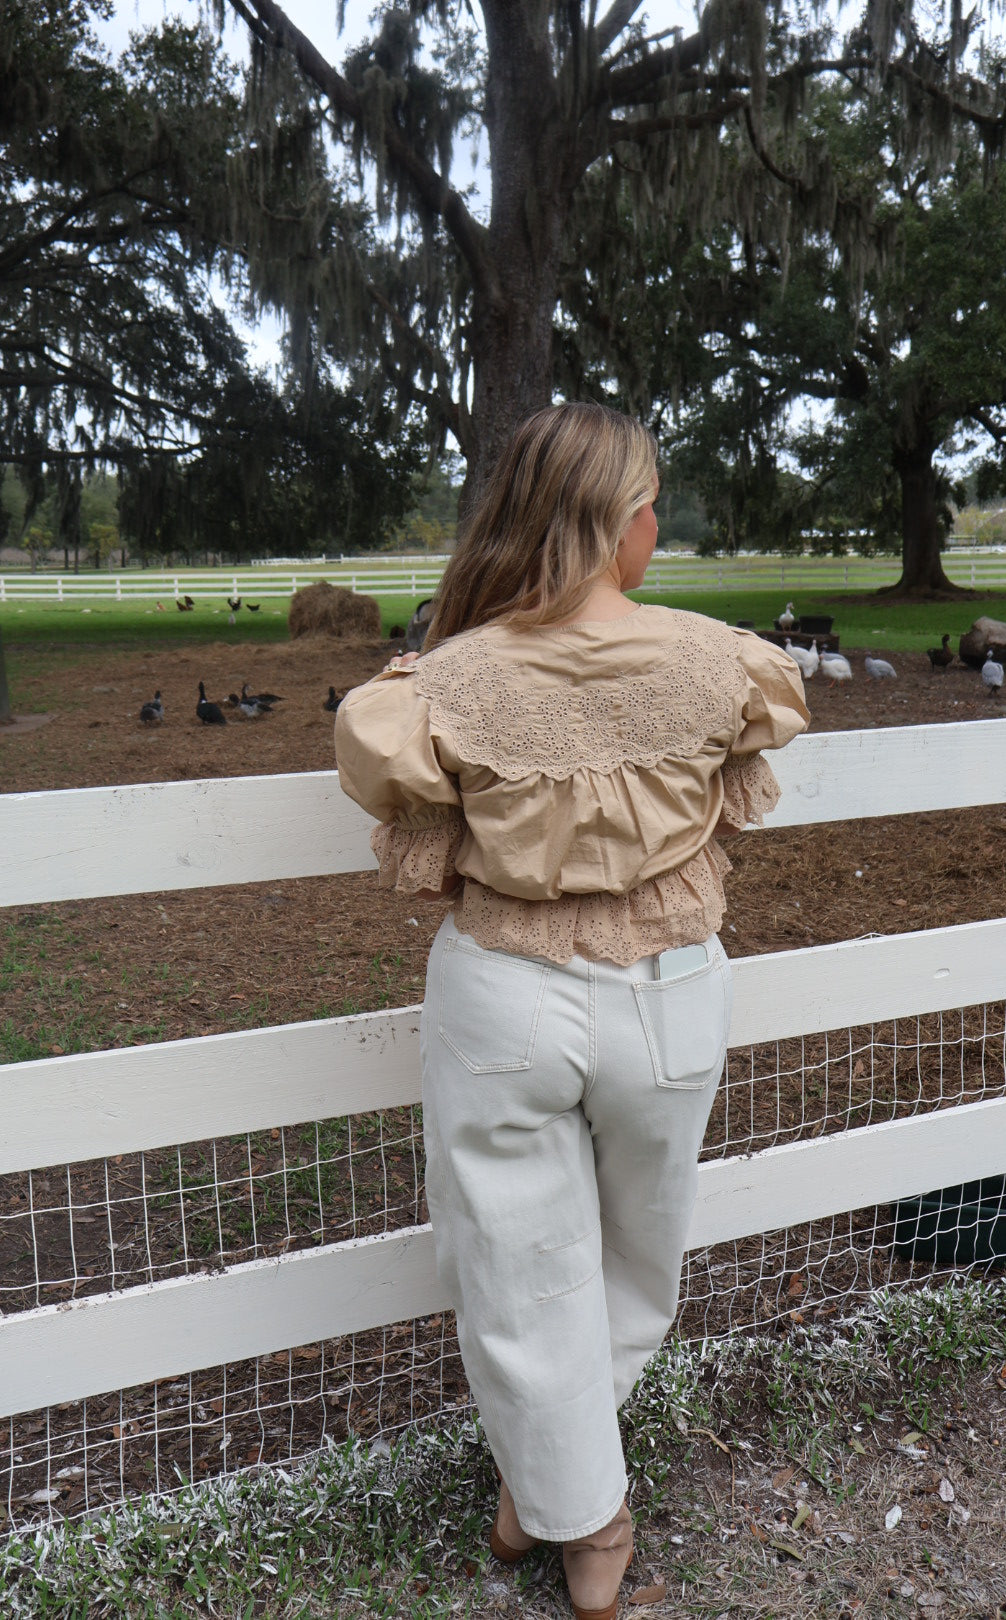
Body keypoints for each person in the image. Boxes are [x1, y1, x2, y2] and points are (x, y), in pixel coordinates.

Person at [335, 402, 808, 1620]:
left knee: (513, 1263)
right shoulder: (719, 661)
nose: (657, 526)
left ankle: (552, 1493)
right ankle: (585, 1514)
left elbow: (401, 792)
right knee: (637, 1255)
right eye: (651, 506)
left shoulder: (442, 683)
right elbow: (756, 742)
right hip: (671, 993)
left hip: (504, 995)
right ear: (618, 525)